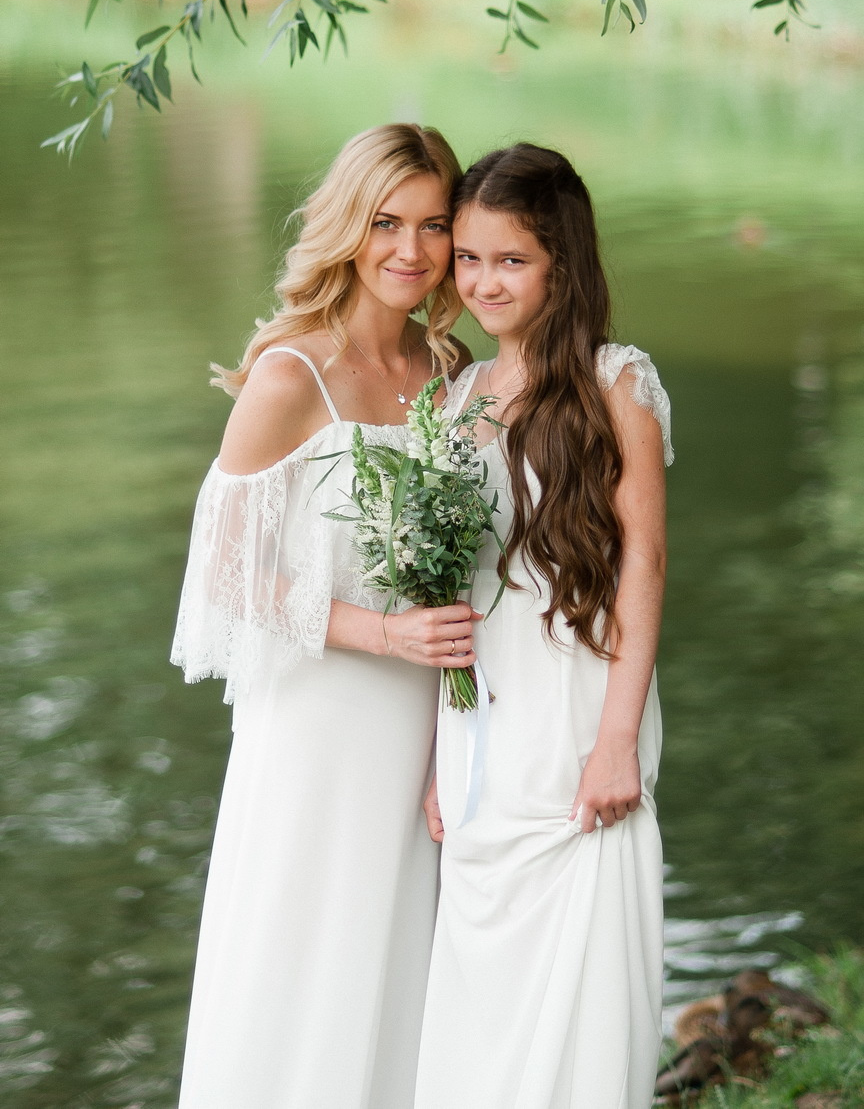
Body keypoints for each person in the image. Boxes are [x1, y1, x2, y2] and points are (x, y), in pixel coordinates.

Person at [170, 124, 479, 1109]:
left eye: (435, 225)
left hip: (423, 716)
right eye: (387, 221)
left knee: (399, 948)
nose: (412, 249)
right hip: (318, 713)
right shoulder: (289, 376)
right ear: (348, 226)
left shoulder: (448, 367)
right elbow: (223, 577)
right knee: (305, 946)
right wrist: (381, 632)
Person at [415, 144, 674, 1109]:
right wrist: (435, 759)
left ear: (562, 262)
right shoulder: (454, 399)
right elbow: (443, 595)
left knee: (585, 966)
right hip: (483, 718)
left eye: (511, 260)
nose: (483, 281)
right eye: (470, 257)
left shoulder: (617, 382)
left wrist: (616, 741)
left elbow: (642, 562)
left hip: (579, 701)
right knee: (483, 968)